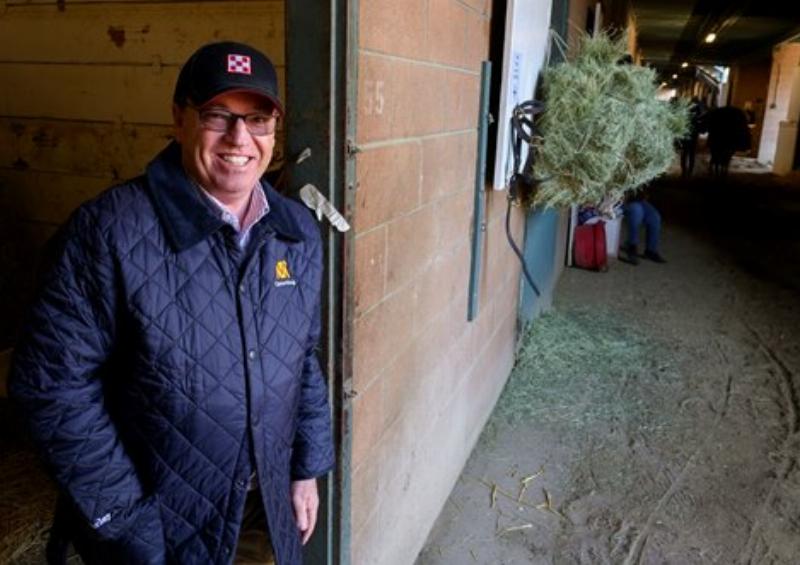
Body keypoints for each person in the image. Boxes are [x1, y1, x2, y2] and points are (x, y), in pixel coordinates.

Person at [9, 41, 333, 565]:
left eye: (257, 120)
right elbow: (51, 386)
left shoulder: (295, 232)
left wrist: (305, 469)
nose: (239, 138)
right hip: (160, 523)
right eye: (217, 116)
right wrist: (123, 516)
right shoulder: (109, 232)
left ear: (275, 131)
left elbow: (303, 360)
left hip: (263, 505)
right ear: (179, 119)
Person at [703, 105, 751, 177]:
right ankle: (723, 169)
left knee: (715, 154)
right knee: (727, 154)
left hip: (718, 138)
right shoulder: (737, 116)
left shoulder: (717, 115)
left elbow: (709, 125)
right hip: (729, 139)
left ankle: (715, 168)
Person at [621, 192, 666, 265]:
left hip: (635, 199)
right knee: (637, 209)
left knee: (654, 216)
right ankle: (632, 246)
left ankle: (651, 250)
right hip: (619, 200)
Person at [679, 96, 705, 178]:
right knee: (691, 154)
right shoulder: (698, 115)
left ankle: (684, 171)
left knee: (685, 153)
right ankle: (690, 171)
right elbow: (701, 128)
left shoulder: (686, 112)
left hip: (686, 136)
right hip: (693, 136)